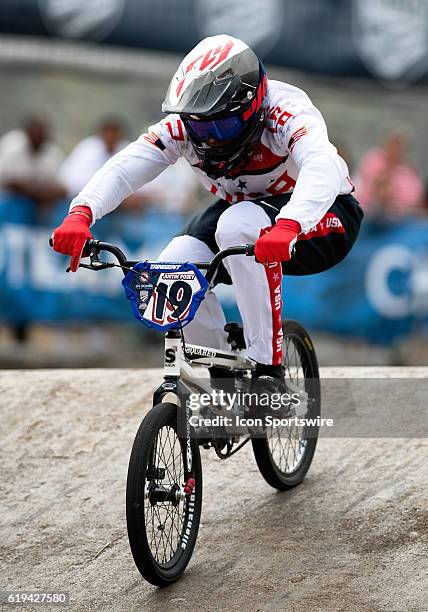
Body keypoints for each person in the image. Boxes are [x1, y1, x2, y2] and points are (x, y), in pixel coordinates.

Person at [51, 35, 363, 394]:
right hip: (245, 211)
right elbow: (125, 168)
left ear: (252, 107)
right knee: (172, 266)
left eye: (220, 126)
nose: (209, 139)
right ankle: (223, 378)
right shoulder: (184, 127)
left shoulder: (286, 110)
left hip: (324, 216)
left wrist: (290, 223)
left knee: (237, 225)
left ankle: (268, 368)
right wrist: (81, 213)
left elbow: (320, 164)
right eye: (200, 127)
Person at [0, 116, 65, 215]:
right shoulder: (12, 145)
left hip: (39, 206)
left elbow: (60, 187)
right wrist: (35, 192)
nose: (38, 136)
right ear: (27, 132)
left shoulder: (52, 152)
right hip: (10, 201)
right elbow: (6, 180)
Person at [354, 131, 424, 217]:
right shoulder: (372, 161)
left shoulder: (409, 174)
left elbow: (414, 202)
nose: (395, 149)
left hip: (400, 219)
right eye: (393, 144)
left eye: (399, 146)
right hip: (367, 214)